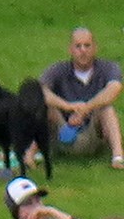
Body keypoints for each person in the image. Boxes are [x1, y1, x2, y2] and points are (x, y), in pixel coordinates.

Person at [37, 27, 124, 170]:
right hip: (63, 129)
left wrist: (86, 108)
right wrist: (67, 106)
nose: (83, 50)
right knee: (43, 107)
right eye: (78, 46)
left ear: (95, 47)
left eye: (87, 45)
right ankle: (30, 155)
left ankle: (118, 157)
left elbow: (114, 89)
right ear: (70, 49)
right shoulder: (58, 69)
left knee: (107, 109)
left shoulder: (109, 67)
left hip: (94, 134)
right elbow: (40, 91)